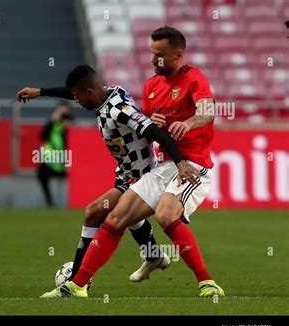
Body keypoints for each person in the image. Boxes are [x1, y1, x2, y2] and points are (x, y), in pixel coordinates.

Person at [39, 27, 224, 299]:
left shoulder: (194, 78)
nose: (153, 60)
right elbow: (145, 122)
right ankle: (77, 286)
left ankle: (206, 282)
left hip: (192, 165)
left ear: (178, 55)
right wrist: (156, 121)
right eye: (152, 54)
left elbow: (208, 111)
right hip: (163, 166)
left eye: (160, 56)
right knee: (116, 217)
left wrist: (188, 123)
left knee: (164, 215)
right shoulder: (152, 86)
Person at [17, 64, 200, 288]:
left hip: (141, 175)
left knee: (94, 213)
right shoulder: (105, 94)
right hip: (125, 174)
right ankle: (153, 255)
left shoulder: (118, 110)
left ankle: (76, 279)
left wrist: (180, 161)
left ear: (89, 93)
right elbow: (76, 91)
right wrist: (41, 91)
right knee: (123, 215)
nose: (76, 101)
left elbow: (153, 131)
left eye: (77, 97)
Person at [37, 102, 72, 207]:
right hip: (52, 161)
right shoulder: (52, 124)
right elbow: (43, 136)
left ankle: (75, 200)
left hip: (68, 161)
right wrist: (52, 120)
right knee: (41, 172)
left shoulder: (70, 123)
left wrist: (67, 125)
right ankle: (49, 202)